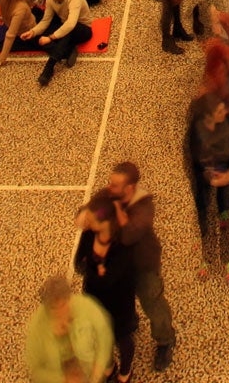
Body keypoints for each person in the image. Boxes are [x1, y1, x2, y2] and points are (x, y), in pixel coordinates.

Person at [103, 162, 175, 371]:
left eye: (115, 185)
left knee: (152, 302)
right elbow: (92, 212)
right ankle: (131, 319)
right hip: (120, 266)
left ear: (130, 188)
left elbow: (128, 234)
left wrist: (113, 212)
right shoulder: (108, 195)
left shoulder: (143, 206)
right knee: (122, 299)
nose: (109, 187)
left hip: (144, 265)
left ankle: (165, 339)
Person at [74, 191, 139, 383]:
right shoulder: (89, 234)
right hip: (94, 299)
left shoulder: (123, 246)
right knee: (101, 337)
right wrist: (98, 269)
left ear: (106, 223)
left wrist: (92, 267)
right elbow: (78, 264)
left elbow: (108, 280)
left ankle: (125, 373)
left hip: (119, 304)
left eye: (93, 220)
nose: (89, 224)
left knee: (122, 339)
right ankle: (110, 367)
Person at [183, 92, 229, 282]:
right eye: (221, 110)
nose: (225, 112)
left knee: (226, 215)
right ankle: (206, 258)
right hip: (203, 177)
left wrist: (225, 173)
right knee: (204, 216)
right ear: (209, 114)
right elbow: (193, 160)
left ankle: (228, 258)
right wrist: (209, 177)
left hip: (222, 173)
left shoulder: (225, 124)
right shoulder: (197, 133)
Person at [23, 272, 116, 383]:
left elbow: (104, 333)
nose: (59, 311)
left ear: (69, 298)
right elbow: (36, 369)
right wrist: (63, 380)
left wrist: (99, 365)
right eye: (53, 308)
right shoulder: (38, 328)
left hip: (89, 370)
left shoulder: (86, 308)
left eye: (62, 305)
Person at [23, 0, 92, 85]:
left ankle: (49, 67)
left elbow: (71, 24)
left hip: (82, 29)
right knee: (36, 37)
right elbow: (46, 20)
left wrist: (51, 38)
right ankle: (68, 50)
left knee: (68, 31)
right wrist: (33, 32)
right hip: (64, 27)